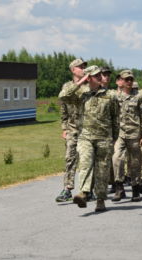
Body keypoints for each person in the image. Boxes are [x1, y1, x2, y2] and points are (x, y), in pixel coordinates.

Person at [58, 65, 119, 212]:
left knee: (102, 170)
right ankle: (84, 192)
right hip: (85, 137)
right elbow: (63, 96)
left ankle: (100, 200)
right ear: (89, 78)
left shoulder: (110, 95)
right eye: (96, 75)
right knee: (85, 163)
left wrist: (114, 138)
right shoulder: (81, 94)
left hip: (104, 138)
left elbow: (115, 118)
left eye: (100, 75)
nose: (100, 77)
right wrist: (80, 82)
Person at [55, 58, 89, 202]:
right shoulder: (68, 86)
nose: (83, 69)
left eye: (84, 67)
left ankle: (86, 189)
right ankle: (67, 189)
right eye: (80, 67)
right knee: (70, 158)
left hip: (87, 130)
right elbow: (63, 108)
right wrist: (64, 127)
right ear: (73, 70)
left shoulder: (89, 86)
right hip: (73, 129)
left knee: (86, 161)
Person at [112, 70, 142, 202]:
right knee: (116, 158)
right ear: (121, 80)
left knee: (135, 162)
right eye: (126, 79)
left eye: (131, 79)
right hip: (120, 134)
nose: (129, 82)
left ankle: (135, 189)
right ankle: (119, 187)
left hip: (134, 134)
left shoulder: (139, 96)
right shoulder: (116, 96)